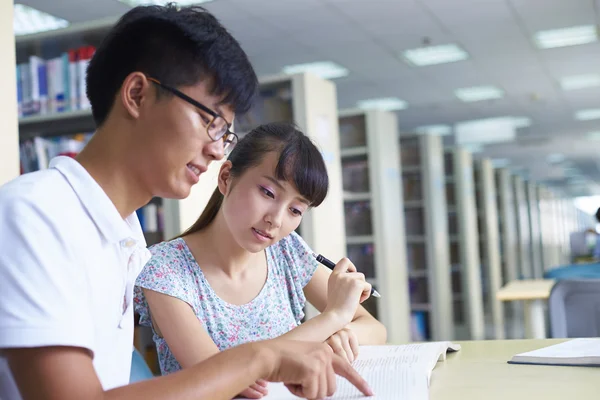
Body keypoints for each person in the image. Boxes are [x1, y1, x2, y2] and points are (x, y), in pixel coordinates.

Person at [0, 5, 372, 400]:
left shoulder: (124, 235)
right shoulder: (36, 214)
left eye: (225, 134)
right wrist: (262, 357)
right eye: (209, 120)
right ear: (138, 94)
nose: (216, 151)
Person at [134, 122, 387, 398]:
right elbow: (221, 378)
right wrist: (333, 319)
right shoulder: (164, 270)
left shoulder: (286, 252)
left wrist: (335, 340)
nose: (275, 220)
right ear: (226, 177)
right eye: (268, 193)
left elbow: (374, 329)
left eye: (295, 209)